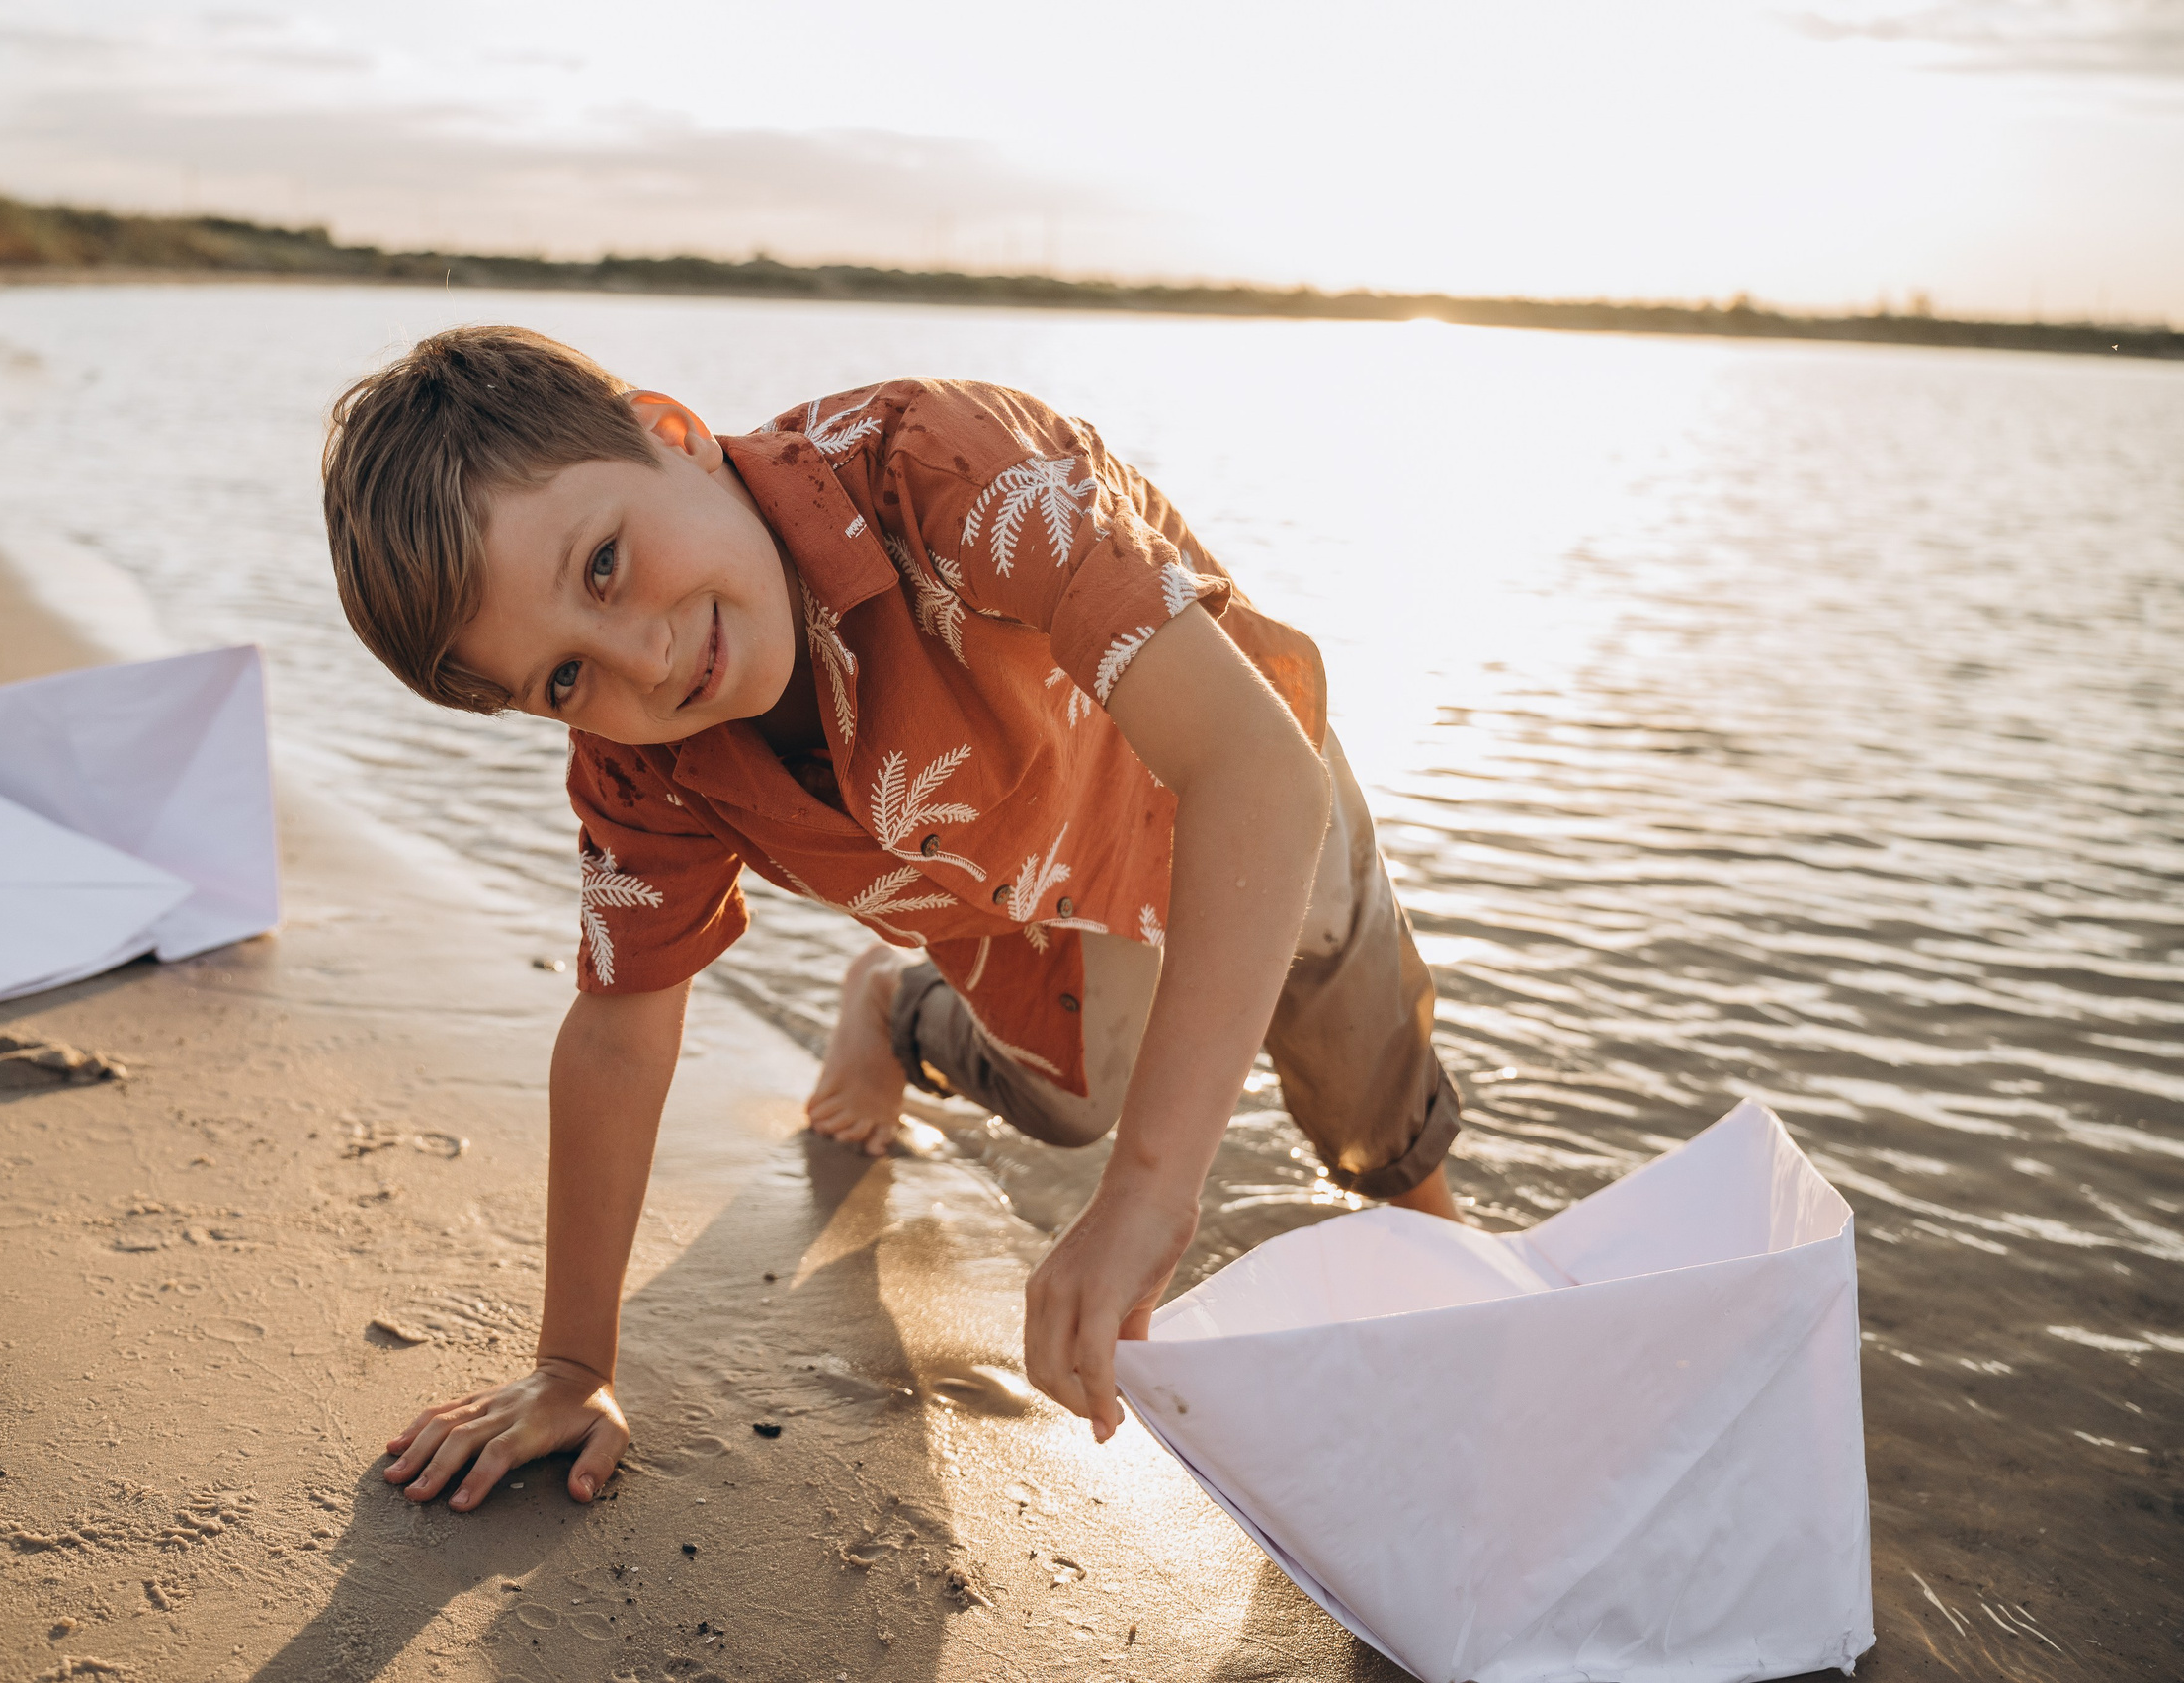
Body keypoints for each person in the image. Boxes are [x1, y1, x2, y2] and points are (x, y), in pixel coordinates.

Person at [321, 326, 1464, 1514]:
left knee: (1364, 1084)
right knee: (1074, 1105)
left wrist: (1152, 1188)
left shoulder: (943, 474)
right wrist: (572, 1362)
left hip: (1226, 770)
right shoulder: (639, 763)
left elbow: (1255, 776)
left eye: (604, 563)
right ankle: (895, 1001)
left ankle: (1477, 1295)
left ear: (673, 434)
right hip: (1009, 900)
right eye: (561, 676)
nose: (642, 661)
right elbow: (619, 1031)